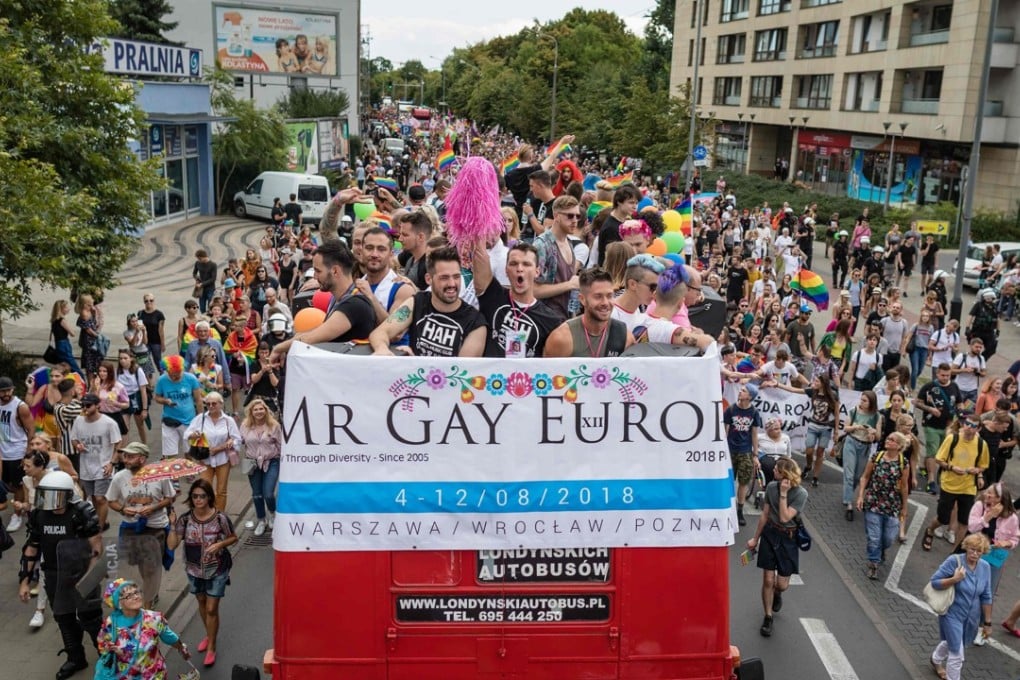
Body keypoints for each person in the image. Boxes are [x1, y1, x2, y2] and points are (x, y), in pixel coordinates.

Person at [18, 470, 104, 680]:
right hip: (55, 574)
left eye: (55, 496)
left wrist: (89, 579)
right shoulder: (39, 514)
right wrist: (25, 582)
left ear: (67, 495)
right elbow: (32, 548)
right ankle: (76, 657)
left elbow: (97, 549)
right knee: (63, 617)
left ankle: (107, 655)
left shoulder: (81, 511)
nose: (51, 502)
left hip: (82, 572)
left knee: (91, 619)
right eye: (46, 496)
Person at [168, 478, 238, 667]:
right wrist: (172, 525)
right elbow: (173, 544)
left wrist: (219, 544)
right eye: (195, 496)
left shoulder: (220, 518)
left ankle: (212, 647)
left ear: (209, 498)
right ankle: (209, 634)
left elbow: (233, 537)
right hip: (193, 568)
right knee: (201, 601)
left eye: (202, 496)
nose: (198, 499)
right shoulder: (185, 519)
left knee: (211, 608)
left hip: (217, 568)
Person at [370, 246, 487, 357]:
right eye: (444, 278)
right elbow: (380, 333)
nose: (452, 284)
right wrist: (382, 349)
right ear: (428, 279)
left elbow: (462, 373)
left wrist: (416, 362)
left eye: (456, 277)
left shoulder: (475, 322)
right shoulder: (417, 302)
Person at [272, 240, 378, 362]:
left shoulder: (354, 305)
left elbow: (312, 337)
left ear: (335, 271)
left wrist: (278, 348)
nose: (315, 277)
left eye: (318, 271)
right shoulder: (338, 298)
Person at [105, 442, 176, 608]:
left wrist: (153, 507)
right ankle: (152, 588)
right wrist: (123, 509)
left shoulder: (159, 476)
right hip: (131, 528)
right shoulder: (119, 477)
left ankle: (147, 607)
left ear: (142, 459)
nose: (126, 460)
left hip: (155, 528)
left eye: (130, 456)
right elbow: (111, 501)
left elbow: (169, 498)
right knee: (136, 564)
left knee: (150, 567)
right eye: (125, 456)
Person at [746, 458, 807, 638]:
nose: (773, 471)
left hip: (788, 537)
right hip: (770, 534)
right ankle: (768, 616)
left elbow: (785, 516)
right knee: (767, 579)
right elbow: (765, 514)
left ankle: (778, 593)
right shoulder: (771, 487)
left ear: (784, 474)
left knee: (781, 584)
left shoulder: (801, 494)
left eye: (776, 469)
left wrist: (783, 494)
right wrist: (755, 538)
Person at [472, 241, 561, 358]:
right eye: (513, 264)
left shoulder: (551, 320)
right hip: (490, 374)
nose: (519, 269)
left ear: (537, 272)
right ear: (506, 270)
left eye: (526, 264)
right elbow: (479, 255)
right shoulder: (493, 295)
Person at [927, 533, 992, 680]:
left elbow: (986, 595)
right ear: (966, 547)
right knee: (957, 654)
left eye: (979, 551)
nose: (975, 554)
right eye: (972, 549)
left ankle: (936, 659)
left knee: (955, 642)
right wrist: (954, 579)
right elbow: (935, 582)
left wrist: (987, 622)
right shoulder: (954, 561)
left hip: (971, 617)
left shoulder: (985, 567)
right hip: (952, 613)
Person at [96, 578, 190, 678]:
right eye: (129, 596)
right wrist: (110, 649)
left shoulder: (154, 618)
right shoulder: (111, 624)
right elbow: (102, 646)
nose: (136, 596)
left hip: (154, 675)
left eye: (136, 592)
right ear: (119, 603)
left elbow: (169, 636)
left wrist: (181, 648)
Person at [922, 414, 991, 552]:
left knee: (964, 521)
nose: (969, 428)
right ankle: (930, 530)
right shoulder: (952, 439)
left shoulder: (981, 444)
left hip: (968, 487)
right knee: (943, 518)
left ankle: (955, 552)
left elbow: (983, 465)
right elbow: (939, 459)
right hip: (949, 484)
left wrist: (977, 471)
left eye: (973, 426)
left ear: (978, 429)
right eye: (967, 424)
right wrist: (952, 467)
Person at [544, 268, 635, 358]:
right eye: (598, 296)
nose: (605, 302)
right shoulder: (562, 339)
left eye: (609, 296)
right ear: (582, 299)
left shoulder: (625, 337)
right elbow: (548, 371)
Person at [856, 431, 911, 580]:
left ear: (899, 446)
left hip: (892, 505)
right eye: (888, 438)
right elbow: (865, 477)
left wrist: (904, 507)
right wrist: (861, 496)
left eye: (892, 440)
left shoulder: (903, 463)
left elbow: (905, 486)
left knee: (888, 538)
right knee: (874, 537)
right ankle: (874, 564)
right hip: (873, 502)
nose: (888, 441)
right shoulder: (877, 457)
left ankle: (881, 551)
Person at [184, 391, 239, 513]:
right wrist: (193, 435)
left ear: (221, 404)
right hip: (205, 459)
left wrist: (228, 444)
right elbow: (186, 434)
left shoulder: (228, 420)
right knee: (204, 489)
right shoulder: (200, 418)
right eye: (208, 404)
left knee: (221, 490)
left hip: (223, 459)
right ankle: (206, 514)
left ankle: (219, 515)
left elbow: (237, 439)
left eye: (214, 403)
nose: (211, 406)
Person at [917, 364, 965, 494]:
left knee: (941, 451)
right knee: (934, 451)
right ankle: (931, 480)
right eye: (943, 375)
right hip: (931, 425)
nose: (945, 378)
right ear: (937, 374)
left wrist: (960, 410)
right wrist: (930, 409)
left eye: (948, 375)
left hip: (948, 425)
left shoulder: (954, 386)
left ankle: (923, 465)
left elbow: (959, 402)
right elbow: (917, 402)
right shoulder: (929, 387)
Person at [240, 398, 283, 537]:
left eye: (261, 409)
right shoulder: (245, 425)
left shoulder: (274, 425)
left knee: (268, 493)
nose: (258, 412)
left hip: (271, 461)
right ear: (251, 412)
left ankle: (273, 514)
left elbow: (281, 444)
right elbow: (238, 440)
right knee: (257, 495)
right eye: (255, 409)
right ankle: (261, 520)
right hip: (252, 463)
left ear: (265, 410)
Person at [841, 390, 882, 521]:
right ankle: (849, 504)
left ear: (871, 402)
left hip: (865, 446)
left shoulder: (877, 416)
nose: (861, 402)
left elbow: (878, 437)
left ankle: (848, 495)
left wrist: (873, 433)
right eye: (861, 399)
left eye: (865, 400)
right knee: (849, 474)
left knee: (858, 476)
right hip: (851, 442)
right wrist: (855, 427)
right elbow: (845, 428)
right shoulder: (854, 410)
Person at [1, 375, 34, 532]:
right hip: (2, 451)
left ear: (13, 389)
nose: (6, 394)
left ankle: (17, 514)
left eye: (8, 390)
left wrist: (27, 451)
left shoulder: (20, 406)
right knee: (6, 485)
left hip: (16, 451)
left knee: (18, 484)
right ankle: (27, 501)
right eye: (2, 391)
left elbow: (31, 428)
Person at [725, 386, 761, 527]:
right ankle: (727, 509)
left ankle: (739, 510)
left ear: (750, 396)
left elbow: (754, 433)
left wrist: (755, 454)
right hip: (730, 450)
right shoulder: (731, 409)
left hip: (745, 451)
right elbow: (724, 430)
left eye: (744, 390)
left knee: (743, 482)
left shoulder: (754, 412)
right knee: (729, 481)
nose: (740, 391)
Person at [93, 361, 130, 438]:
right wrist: (96, 388)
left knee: (115, 441)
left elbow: (127, 404)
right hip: (100, 415)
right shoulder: (97, 384)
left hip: (114, 416)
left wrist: (116, 404)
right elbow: (94, 401)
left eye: (104, 371)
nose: (101, 373)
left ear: (110, 372)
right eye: (100, 371)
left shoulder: (118, 386)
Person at [50, 300, 84, 377]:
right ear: (61, 309)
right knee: (73, 366)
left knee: (62, 366)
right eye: (66, 307)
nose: (68, 309)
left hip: (58, 344)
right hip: (64, 344)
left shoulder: (54, 320)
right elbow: (72, 333)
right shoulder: (62, 320)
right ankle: (82, 380)